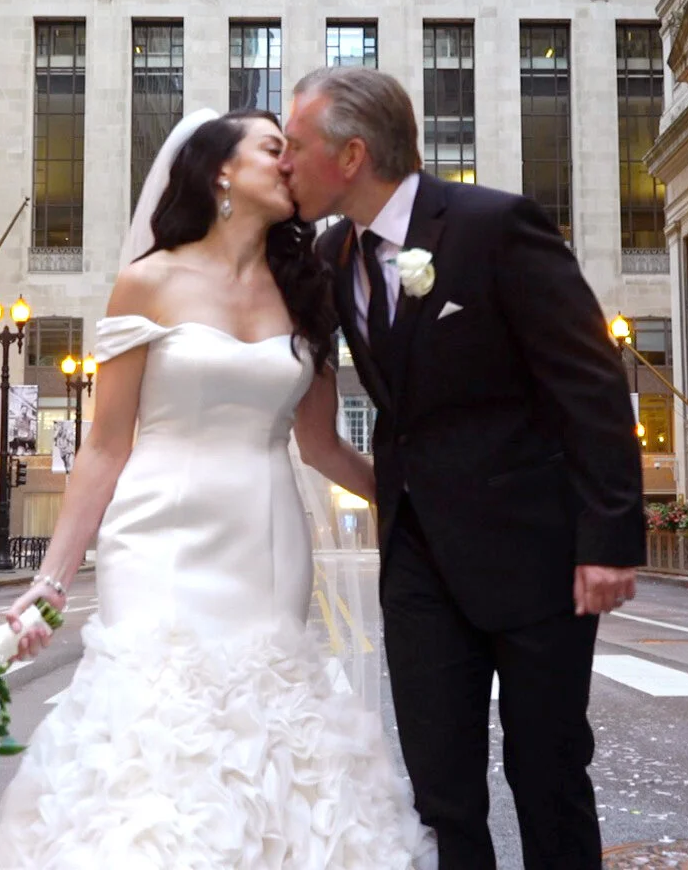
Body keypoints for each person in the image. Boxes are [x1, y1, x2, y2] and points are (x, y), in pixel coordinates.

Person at [0, 108, 430, 868]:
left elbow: (318, 445)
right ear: (220, 170)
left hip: (267, 540)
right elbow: (105, 445)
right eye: (272, 150)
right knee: (161, 722)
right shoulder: (148, 282)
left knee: (267, 722)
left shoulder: (305, 287)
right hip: (160, 535)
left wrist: (420, 497)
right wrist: (51, 582)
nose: (289, 165)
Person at [279, 66, 645, 870]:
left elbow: (589, 383)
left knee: (546, 771)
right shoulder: (335, 255)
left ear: (351, 154)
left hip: (534, 555)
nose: (282, 162)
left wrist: (610, 537)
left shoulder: (494, 225)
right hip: (418, 565)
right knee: (441, 790)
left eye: (295, 145)